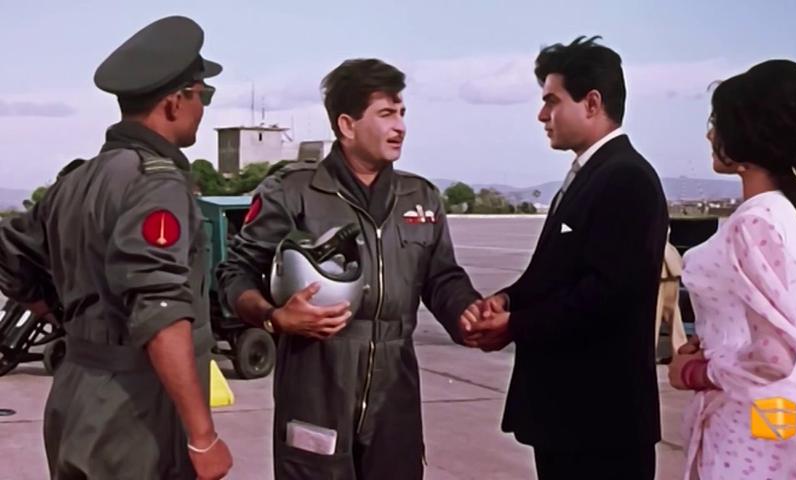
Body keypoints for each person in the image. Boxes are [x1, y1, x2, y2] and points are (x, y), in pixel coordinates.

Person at [216, 58, 481, 479]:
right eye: (386, 113)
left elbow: (442, 277)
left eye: (402, 113)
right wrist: (273, 318)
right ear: (347, 125)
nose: (400, 126)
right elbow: (236, 274)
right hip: (315, 384)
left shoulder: (420, 198)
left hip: (395, 393)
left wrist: (468, 312)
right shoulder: (293, 192)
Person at [0, 16, 232, 480]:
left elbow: (10, 259)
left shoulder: (76, 181)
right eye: (202, 95)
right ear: (174, 102)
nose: (203, 108)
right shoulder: (156, 184)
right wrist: (202, 435)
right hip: (135, 411)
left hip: (75, 394)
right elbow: (161, 310)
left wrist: (63, 315)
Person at [464, 36, 668, 479]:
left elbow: (608, 293)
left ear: (592, 103)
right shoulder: (590, 174)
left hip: (600, 426)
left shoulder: (626, 178)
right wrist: (508, 299)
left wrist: (516, 325)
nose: (542, 115)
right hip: (570, 421)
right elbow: (557, 273)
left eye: (552, 101)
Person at [668, 59, 796, 480]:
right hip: (776, 416)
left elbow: (774, 355)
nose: (710, 134)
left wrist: (696, 372)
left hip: (750, 424)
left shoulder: (754, 223)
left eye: (716, 122)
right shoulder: (789, 216)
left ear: (747, 132)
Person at [655, 234, 688, 362]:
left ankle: (679, 351)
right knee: (673, 315)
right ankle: (680, 352)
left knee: (657, 315)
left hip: (659, 262)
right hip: (667, 263)